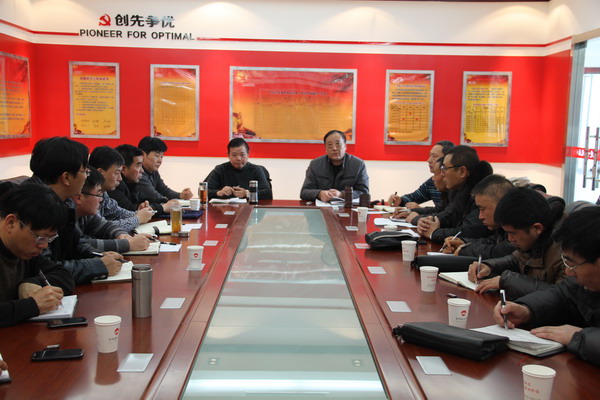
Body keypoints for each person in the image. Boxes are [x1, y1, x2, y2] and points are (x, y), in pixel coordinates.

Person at [494, 206, 600, 367]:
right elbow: (562, 294)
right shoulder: (583, 283)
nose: (568, 272)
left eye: (573, 264)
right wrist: (526, 310)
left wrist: (579, 337)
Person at [24, 137, 124, 284]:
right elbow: (45, 269)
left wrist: (97, 255)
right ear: (66, 177)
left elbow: (75, 243)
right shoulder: (32, 206)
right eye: (85, 171)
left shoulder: (65, 200)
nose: (87, 177)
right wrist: (98, 266)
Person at [468, 187, 565, 298]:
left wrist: (507, 281)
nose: (510, 239)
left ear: (537, 228)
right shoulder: (534, 240)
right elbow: (516, 259)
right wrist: (489, 266)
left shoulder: (566, 254)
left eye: (512, 233)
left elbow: (562, 295)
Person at [0, 183, 75, 326]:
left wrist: (30, 283)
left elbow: (64, 276)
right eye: (40, 238)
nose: (44, 246)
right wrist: (32, 305)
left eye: (49, 239)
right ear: (11, 223)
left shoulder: (23, 251)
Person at [417, 145, 493, 243]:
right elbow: (449, 215)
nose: (442, 174)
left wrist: (434, 233)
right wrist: (428, 221)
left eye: (444, 168)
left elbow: (469, 232)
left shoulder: (481, 195)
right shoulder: (458, 191)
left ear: (462, 171)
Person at [74, 169, 150, 254]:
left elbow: (105, 225)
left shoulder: (86, 214)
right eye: (98, 194)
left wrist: (122, 235)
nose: (101, 199)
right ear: (79, 198)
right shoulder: (66, 214)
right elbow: (79, 245)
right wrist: (127, 244)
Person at [441, 174, 517, 259]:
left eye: (483, 209)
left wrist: (464, 250)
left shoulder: (519, 227)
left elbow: (500, 251)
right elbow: (491, 241)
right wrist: (463, 243)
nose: (480, 216)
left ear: (502, 205)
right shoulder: (501, 228)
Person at [88, 146, 154, 233]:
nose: (120, 178)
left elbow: (117, 212)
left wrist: (140, 213)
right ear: (100, 172)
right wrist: (138, 218)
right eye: (117, 173)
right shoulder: (88, 194)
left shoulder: (103, 193)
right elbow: (101, 227)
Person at [300, 130, 369, 202]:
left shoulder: (358, 165)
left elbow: (364, 192)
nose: (334, 148)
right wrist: (319, 193)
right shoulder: (315, 164)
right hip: (322, 207)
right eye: (330, 145)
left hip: (347, 207)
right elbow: (304, 192)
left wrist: (342, 194)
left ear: (345, 146)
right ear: (326, 149)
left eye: (338, 144)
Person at [388, 140, 454, 208]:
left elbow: (450, 212)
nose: (429, 160)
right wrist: (400, 201)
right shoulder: (432, 182)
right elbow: (414, 197)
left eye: (434, 156)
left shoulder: (455, 184)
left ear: (448, 158)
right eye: (430, 156)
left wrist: (420, 210)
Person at [205, 138, 272, 200]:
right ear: (228, 155)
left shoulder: (256, 170)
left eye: (242, 155)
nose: (238, 158)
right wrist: (218, 192)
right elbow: (204, 191)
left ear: (248, 154)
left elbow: (267, 194)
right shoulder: (220, 169)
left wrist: (247, 194)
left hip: (249, 208)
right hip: (225, 207)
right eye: (234, 155)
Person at [137, 136, 193, 206]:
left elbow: (164, 190)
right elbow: (154, 195)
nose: (160, 161)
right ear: (143, 155)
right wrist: (171, 202)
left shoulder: (153, 171)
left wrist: (180, 195)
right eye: (157, 156)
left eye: (161, 156)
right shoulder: (138, 173)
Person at [109, 144, 159, 212]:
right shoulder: (115, 185)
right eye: (138, 166)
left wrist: (165, 201)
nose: (142, 170)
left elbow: (146, 198)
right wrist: (163, 207)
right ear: (123, 169)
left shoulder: (131, 183)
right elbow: (130, 210)